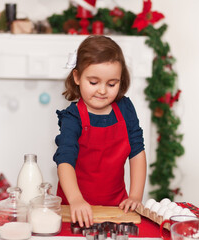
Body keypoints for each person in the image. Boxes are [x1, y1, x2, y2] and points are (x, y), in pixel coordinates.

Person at [53, 35, 147, 228]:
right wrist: (76, 200)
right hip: (74, 207)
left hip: (117, 207)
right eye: (94, 82)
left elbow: (137, 152)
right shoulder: (73, 118)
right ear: (77, 77)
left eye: (111, 84)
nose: (102, 91)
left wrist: (136, 196)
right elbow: (65, 161)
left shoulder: (126, 109)